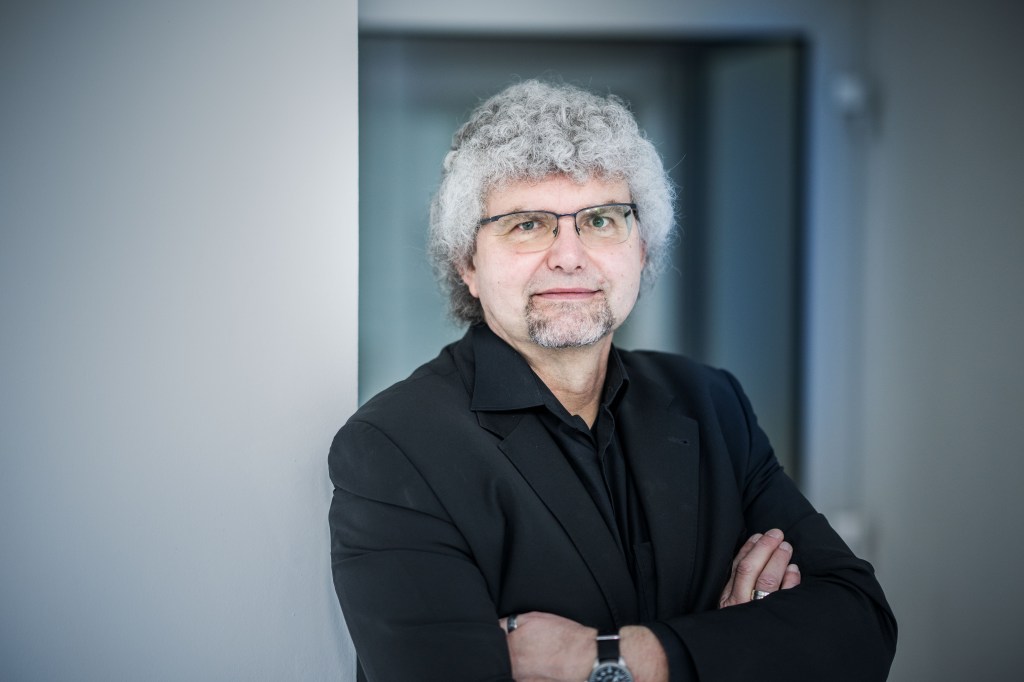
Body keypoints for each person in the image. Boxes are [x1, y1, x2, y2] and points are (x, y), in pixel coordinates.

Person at [329, 79, 896, 681]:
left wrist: (609, 661)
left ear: (643, 249)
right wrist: (738, 646)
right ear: (467, 262)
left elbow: (860, 629)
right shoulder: (394, 448)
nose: (569, 256)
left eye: (601, 219)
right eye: (527, 224)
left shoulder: (711, 403)